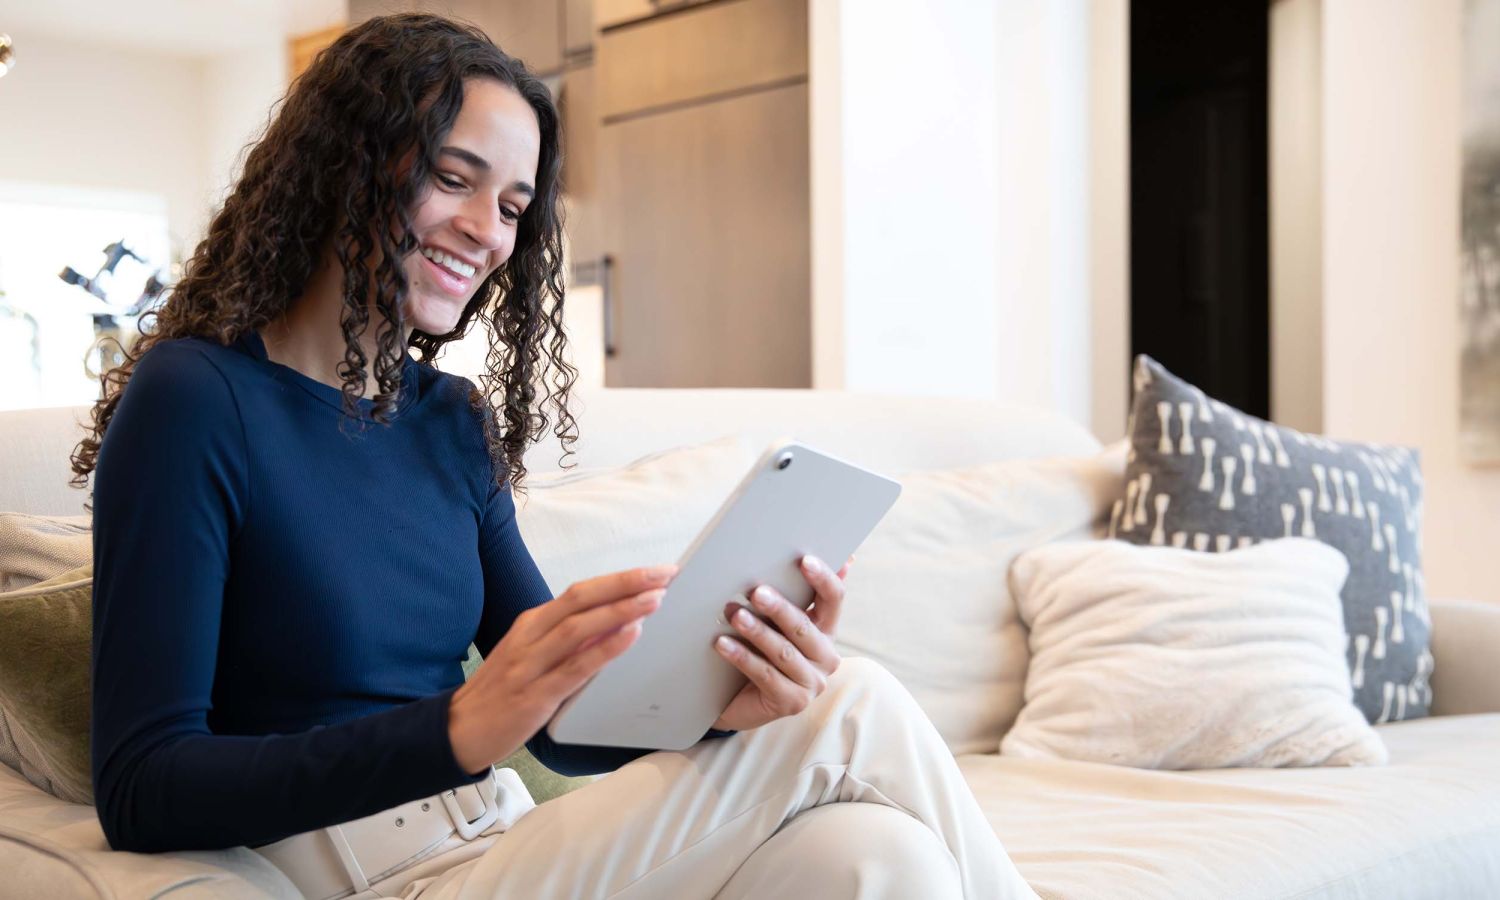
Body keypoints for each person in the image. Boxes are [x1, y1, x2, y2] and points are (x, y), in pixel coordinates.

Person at [71, 14, 1037, 899]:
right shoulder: (196, 399)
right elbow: (145, 785)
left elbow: (567, 730)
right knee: (857, 700)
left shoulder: (450, 421)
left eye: (514, 204)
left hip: (508, 841)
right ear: (345, 166)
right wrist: (452, 731)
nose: (488, 231)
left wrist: (722, 709)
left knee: (881, 859)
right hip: (374, 875)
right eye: (453, 179)